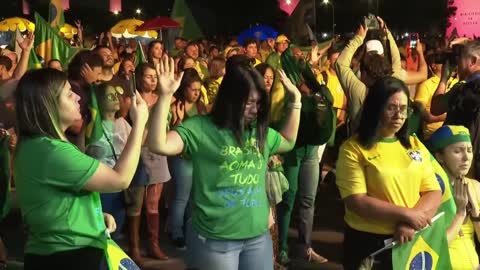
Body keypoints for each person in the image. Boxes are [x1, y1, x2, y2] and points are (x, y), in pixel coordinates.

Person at [148, 55, 302, 270]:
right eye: (249, 102)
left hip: (258, 238)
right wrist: (164, 97)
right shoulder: (199, 128)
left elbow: (289, 141)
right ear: (230, 99)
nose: (255, 110)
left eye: (258, 103)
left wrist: (297, 102)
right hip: (215, 241)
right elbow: (159, 145)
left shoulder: (259, 131)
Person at [14, 68, 148, 269]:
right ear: (47, 105)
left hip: (56, 252)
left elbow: (52, 203)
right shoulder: (52, 152)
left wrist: (91, 217)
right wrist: (139, 123)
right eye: (69, 94)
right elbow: (120, 179)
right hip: (69, 256)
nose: (78, 97)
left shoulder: (36, 146)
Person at [335, 76, 442, 270]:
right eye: (391, 108)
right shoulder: (353, 149)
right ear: (376, 108)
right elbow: (356, 201)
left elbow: (433, 191)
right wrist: (407, 216)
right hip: (368, 245)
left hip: (408, 239)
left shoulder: (415, 145)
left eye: (404, 109)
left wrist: (410, 223)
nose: (399, 115)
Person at [126, 63, 171, 263]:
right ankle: (134, 247)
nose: (153, 80)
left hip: (158, 154)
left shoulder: (163, 98)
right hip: (138, 154)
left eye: (155, 77)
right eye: (148, 76)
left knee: (153, 204)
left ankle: (154, 245)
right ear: (139, 77)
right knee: (136, 204)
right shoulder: (132, 100)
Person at [429, 125, 480, 269]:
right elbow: (435, 247)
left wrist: (475, 210)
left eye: (469, 150)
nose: (466, 158)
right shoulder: (430, 191)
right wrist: (460, 212)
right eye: (457, 151)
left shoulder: (475, 186)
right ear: (440, 156)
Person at [85, 83, 132, 240]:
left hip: (119, 190)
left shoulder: (123, 124)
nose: (115, 99)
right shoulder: (91, 127)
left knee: (116, 232)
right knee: (100, 233)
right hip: (100, 189)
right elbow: (81, 154)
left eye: (115, 95)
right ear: (99, 100)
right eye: (109, 96)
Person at [168, 68, 207, 249]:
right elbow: (171, 135)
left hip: (197, 157)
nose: (197, 93)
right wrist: (178, 119)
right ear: (184, 89)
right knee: (181, 197)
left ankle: (190, 231)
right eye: (193, 90)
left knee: (194, 197)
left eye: (199, 90)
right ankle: (176, 233)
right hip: (181, 157)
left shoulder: (200, 107)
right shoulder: (175, 105)